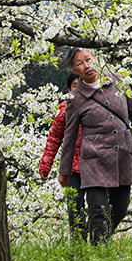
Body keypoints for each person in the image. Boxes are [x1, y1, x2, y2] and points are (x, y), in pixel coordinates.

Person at [59, 48, 132, 245]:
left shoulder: (119, 81)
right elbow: (69, 136)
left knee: (120, 207)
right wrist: (64, 170)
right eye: (80, 63)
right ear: (74, 71)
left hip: (122, 154)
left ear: (96, 59)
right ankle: (98, 251)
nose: (87, 66)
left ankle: (100, 237)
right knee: (97, 208)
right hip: (94, 159)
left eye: (88, 60)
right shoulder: (75, 99)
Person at [39, 72, 85, 239]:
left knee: (98, 207)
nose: (78, 89)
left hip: (96, 166)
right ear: (68, 89)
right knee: (74, 206)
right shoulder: (64, 110)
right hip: (72, 167)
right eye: (74, 86)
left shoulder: (98, 107)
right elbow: (54, 138)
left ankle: (97, 245)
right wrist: (46, 165)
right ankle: (78, 245)